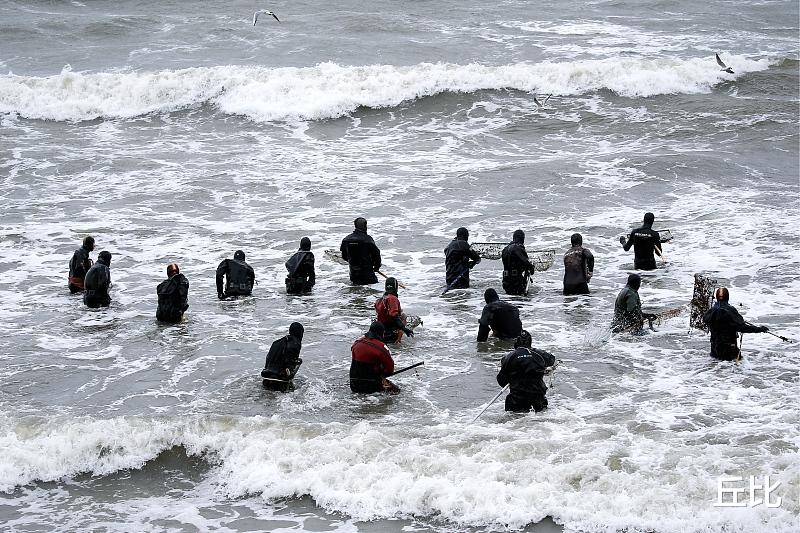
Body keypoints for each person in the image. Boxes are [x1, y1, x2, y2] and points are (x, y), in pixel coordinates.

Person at [496, 330, 557, 412]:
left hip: (516, 399)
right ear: (530, 342)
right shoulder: (540, 354)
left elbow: (501, 381)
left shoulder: (508, 358)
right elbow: (552, 361)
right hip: (538, 398)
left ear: (516, 343)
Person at [702, 288, 769, 361]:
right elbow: (742, 328)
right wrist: (759, 329)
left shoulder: (710, 312)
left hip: (714, 349)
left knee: (716, 369)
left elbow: (705, 320)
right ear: (728, 297)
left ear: (716, 297)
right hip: (729, 350)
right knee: (734, 368)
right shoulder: (731, 310)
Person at [349, 321, 399, 393]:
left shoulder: (356, 343)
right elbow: (390, 369)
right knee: (396, 391)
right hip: (371, 386)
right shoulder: (381, 347)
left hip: (354, 384)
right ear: (382, 333)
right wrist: (382, 374)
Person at [261, 322, 304, 391]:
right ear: (300, 333)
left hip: (266, 377)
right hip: (279, 381)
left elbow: (268, 359)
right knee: (299, 361)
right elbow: (289, 363)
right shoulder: (296, 343)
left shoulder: (276, 342)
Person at [340, 217, 381, 285]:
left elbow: (344, 256)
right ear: (365, 226)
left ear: (355, 226)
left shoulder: (346, 240)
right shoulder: (368, 239)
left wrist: (353, 262)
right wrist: (376, 267)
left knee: (356, 291)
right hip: (368, 275)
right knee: (372, 292)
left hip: (354, 275)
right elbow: (376, 255)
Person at [374, 277, 415, 344]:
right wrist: (403, 328)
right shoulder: (393, 298)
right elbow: (394, 315)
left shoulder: (379, 300)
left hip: (381, 331)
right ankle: (398, 340)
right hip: (391, 332)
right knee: (403, 315)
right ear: (396, 288)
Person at [501, 229, 536, 295]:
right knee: (521, 301)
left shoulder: (505, 250)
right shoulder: (518, 248)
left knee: (510, 300)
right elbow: (526, 263)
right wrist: (532, 268)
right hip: (516, 282)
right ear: (522, 239)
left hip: (506, 281)